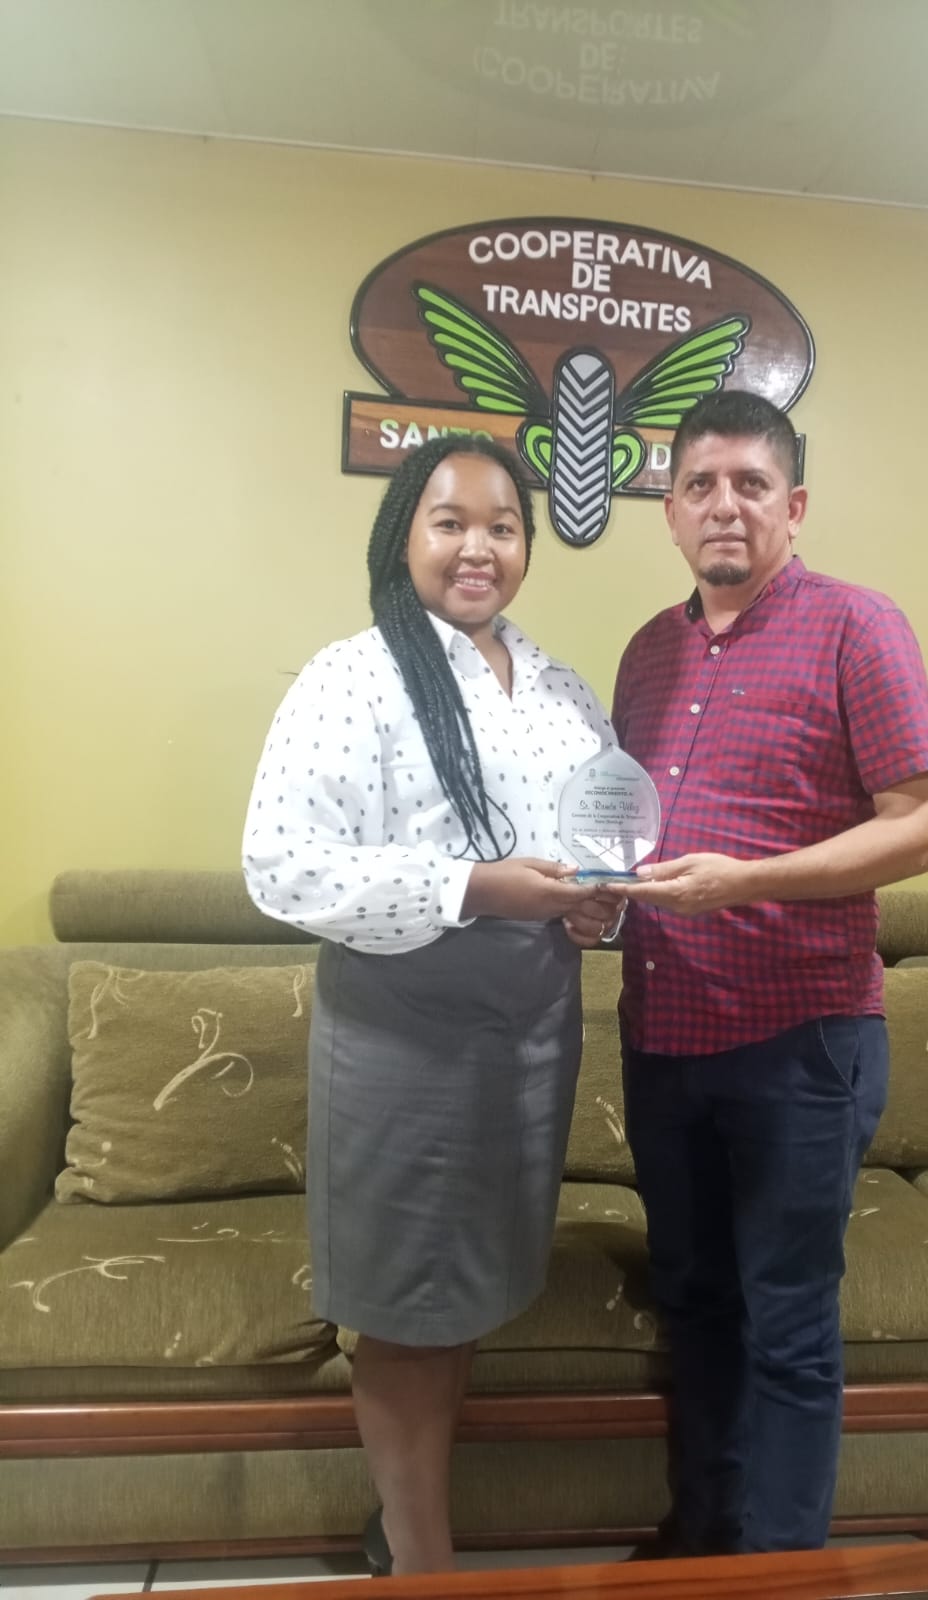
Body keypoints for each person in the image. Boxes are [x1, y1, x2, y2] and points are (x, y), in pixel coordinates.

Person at [242, 436, 621, 1574]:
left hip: (531, 1038)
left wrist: (600, 910)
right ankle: (424, 1568)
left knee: (464, 1296)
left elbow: (604, 843)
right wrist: (476, 887)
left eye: (502, 525)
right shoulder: (353, 677)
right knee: (408, 1307)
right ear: (403, 534)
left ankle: (407, 1525)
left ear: (527, 545)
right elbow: (281, 864)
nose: (477, 547)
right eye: (449, 521)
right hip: (402, 1039)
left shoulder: (559, 688)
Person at [613, 391, 928, 1555]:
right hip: (663, 1036)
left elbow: (926, 827)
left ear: (793, 506)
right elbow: (631, 835)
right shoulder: (647, 652)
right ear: (670, 510)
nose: (726, 505)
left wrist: (748, 880)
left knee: (788, 1322)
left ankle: (782, 1570)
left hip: (801, 1042)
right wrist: (598, 898)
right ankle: (706, 1546)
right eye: (700, 484)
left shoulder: (859, 625)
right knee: (695, 1302)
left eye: (751, 484)